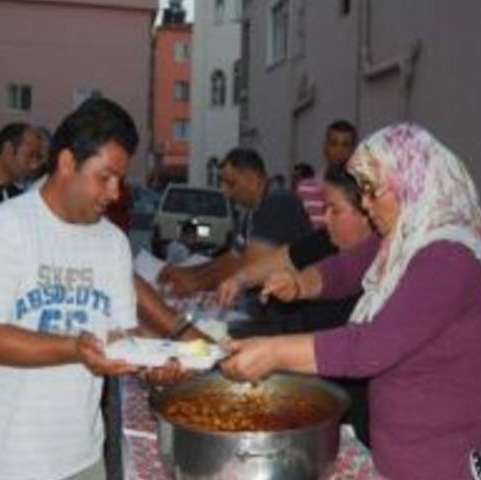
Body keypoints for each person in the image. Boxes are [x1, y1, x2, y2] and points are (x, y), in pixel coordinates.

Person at [221, 124, 481, 480]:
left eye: (373, 192)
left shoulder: (449, 256)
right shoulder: (408, 235)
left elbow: (372, 345)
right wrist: (300, 285)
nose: (366, 205)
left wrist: (274, 352)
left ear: (411, 181)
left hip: (447, 461)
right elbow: (348, 268)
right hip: (405, 456)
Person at [0, 97, 141, 480]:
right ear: (67, 163)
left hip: (82, 458)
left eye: (120, 180)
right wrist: (74, 348)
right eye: (104, 177)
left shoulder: (114, 244)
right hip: (3, 461)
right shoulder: (5, 228)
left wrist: (157, 361)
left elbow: (120, 334)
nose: (115, 193)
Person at [216, 163, 376, 445]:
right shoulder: (329, 240)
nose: (325, 218)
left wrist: (275, 352)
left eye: (335, 210)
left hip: (362, 409)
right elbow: (300, 264)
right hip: (320, 389)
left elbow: (359, 344)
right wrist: (242, 279)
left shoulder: (393, 260)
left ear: (368, 212)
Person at [158, 147, 312, 297]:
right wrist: (188, 273)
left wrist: (195, 282)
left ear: (252, 179)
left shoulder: (278, 204)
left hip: (287, 312)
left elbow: (251, 263)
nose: (226, 191)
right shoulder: (252, 211)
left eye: (231, 183)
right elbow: (233, 257)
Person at [294, 120, 358, 229]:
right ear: (325, 147)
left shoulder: (362, 191)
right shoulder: (304, 189)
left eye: (345, 145)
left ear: (354, 150)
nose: (339, 150)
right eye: (334, 143)